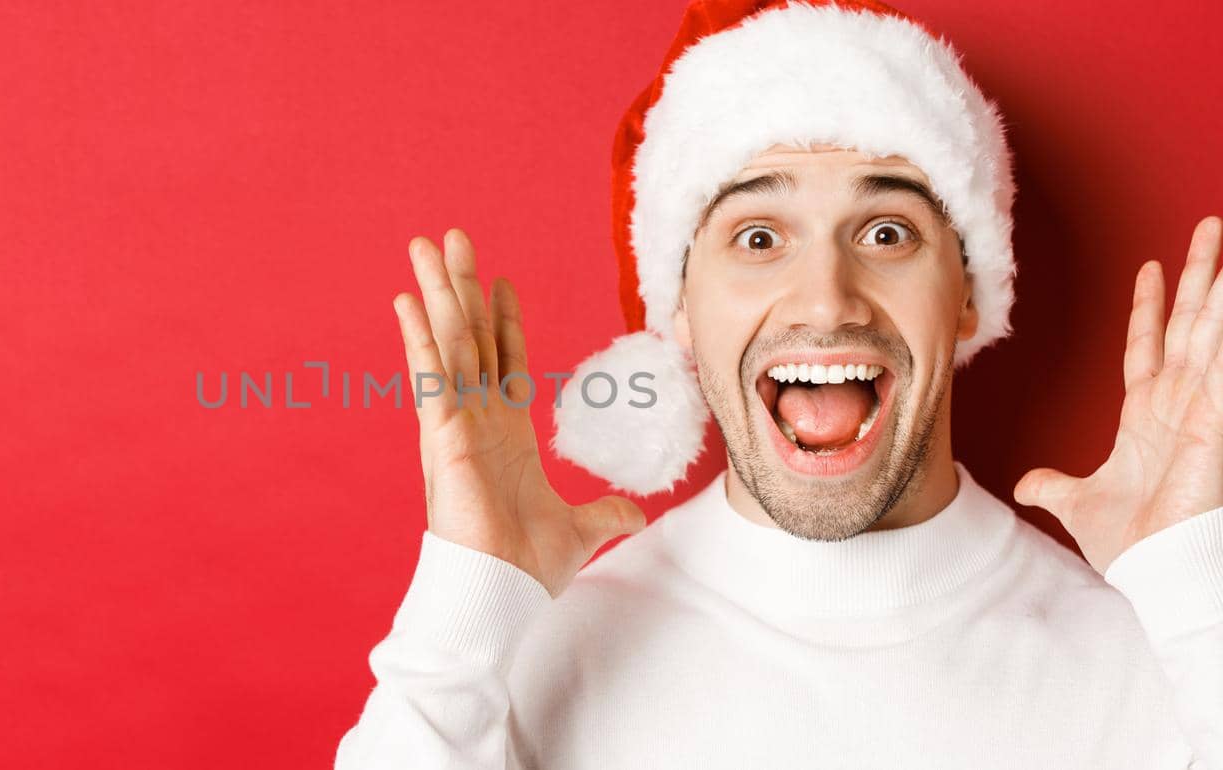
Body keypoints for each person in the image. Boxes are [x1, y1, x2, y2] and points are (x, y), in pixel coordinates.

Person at [334, 0, 1223, 767]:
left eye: (886, 234)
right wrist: (465, 605)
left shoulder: (1161, 651)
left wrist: (1197, 589)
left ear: (970, 296)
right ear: (679, 309)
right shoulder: (517, 662)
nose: (826, 301)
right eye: (759, 238)